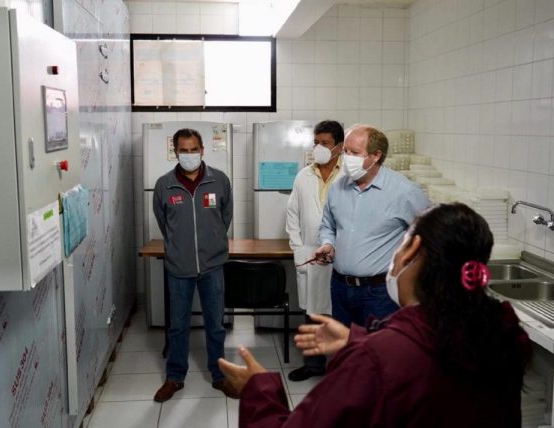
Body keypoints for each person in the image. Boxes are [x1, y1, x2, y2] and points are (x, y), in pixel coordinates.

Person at [219, 203, 532, 428]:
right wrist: (358, 341)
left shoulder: (375, 360)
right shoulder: (502, 336)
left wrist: (257, 389)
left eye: (401, 239)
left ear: (412, 249)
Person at [315, 124, 431, 327]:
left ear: (376, 155)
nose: (347, 158)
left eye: (354, 153)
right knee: (342, 345)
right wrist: (328, 244)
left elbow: (430, 235)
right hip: (340, 287)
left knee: (378, 345)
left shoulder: (404, 192)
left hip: (379, 293)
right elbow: (328, 226)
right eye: (345, 151)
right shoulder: (338, 188)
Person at [152, 128, 237, 402]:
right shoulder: (164, 185)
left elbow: (225, 218)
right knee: (178, 326)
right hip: (179, 268)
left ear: (202, 150)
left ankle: (219, 375)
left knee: (216, 325)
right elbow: (164, 224)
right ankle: (175, 377)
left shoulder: (219, 180)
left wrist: (211, 243)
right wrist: (181, 247)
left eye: (193, 149)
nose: (189, 154)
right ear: (175, 152)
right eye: (183, 150)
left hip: (213, 266)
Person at [285, 120, 344, 382]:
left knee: (340, 315)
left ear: (339, 146)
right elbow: (292, 215)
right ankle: (313, 366)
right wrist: (298, 249)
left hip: (341, 258)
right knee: (312, 314)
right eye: (316, 142)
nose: (319, 147)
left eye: (325, 143)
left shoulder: (349, 176)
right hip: (310, 255)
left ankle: (342, 369)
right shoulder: (303, 176)